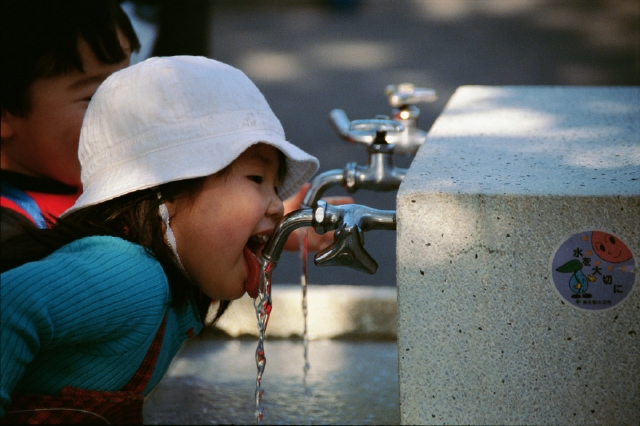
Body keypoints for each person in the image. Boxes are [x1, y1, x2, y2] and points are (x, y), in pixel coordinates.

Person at [0, 56, 323, 423]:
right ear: (167, 192)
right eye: (255, 179)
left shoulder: (180, 287)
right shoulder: (133, 276)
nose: (279, 206)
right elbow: (8, 305)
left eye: (275, 186)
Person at [0, 0, 140, 242]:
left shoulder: (124, 188)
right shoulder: (11, 229)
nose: (125, 111)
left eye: (127, 85)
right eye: (94, 96)